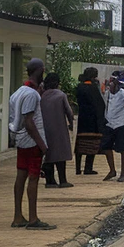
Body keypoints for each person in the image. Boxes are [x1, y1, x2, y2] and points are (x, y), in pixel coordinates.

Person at [8, 58, 54, 230]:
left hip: (21, 141)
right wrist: (42, 145)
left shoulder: (18, 92)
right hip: (32, 142)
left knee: (21, 176)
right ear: (40, 70)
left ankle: (18, 216)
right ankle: (33, 218)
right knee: (33, 178)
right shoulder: (31, 94)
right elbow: (29, 122)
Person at [39, 74, 74, 188]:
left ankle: (50, 181)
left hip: (44, 129)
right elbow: (69, 111)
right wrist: (71, 124)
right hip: (59, 128)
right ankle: (63, 180)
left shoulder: (41, 95)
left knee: (48, 155)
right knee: (60, 155)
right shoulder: (60, 95)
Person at [100, 76, 124, 182]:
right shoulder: (108, 94)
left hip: (122, 124)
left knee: (123, 149)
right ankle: (112, 170)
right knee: (106, 147)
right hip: (110, 123)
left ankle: (123, 173)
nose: (110, 86)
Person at [74, 69, 105, 176]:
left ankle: (78, 169)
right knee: (92, 143)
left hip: (83, 118)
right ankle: (88, 168)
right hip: (93, 119)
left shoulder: (79, 87)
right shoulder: (92, 88)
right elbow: (100, 104)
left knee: (80, 143)